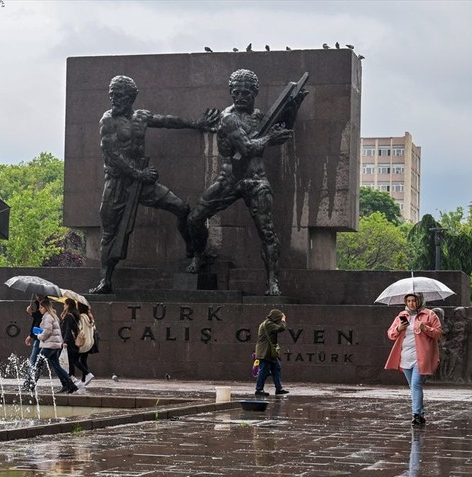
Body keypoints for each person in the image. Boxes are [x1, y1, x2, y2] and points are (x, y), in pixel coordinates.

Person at [90, 74, 219, 294]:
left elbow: (168, 121)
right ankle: (106, 280)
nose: (114, 99)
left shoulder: (141, 117)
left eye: (119, 95)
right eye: (112, 95)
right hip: (118, 183)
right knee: (111, 232)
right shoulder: (107, 120)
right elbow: (112, 154)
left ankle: (194, 249)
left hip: (142, 182)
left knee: (182, 208)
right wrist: (139, 174)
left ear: (132, 97)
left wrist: (196, 124)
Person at [187, 69, 306, 296]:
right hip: (229, 179)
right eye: (236, 92)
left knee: (267, 232)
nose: (240, 96)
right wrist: (270, 138)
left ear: (255, 93)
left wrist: (293, 106)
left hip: (256, 179)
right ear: (231, 92)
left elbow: (282, 130)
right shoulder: (228, 118)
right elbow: (248, 148)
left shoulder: (260, 116)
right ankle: (199, 254)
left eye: (246, 92)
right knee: (195, 218)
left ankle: (272, 282)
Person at [384, 293, 443, 427]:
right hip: (405, 357)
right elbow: (390, 334)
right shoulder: (402, 315)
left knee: (416, 385)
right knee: (413, 386)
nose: (411, 303)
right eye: (408, 301)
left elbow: (438, 333)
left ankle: (416, 414)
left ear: (420, 300)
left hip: (421, 357)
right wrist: (399, 328)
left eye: (414, 300)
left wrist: (425, 328)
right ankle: (420, 414)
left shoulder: (429, 315)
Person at [26, 298, 78, 394]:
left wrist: (39, 336)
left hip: (49, 345)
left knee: (38, 364)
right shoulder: (52, 316)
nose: (40, 309)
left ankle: (31, 386)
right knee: (56, 366)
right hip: (54, 345)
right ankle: (68, 385)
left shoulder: (48, 317)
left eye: (41, 307)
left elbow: (48, 331)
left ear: (46, 308)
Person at [254, 308, 289, 397]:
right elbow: (281, 328)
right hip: (265, 352)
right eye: (279, 318)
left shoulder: (268, 323)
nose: (279, 320)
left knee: (276, 368)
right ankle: (259, 389)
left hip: (270, 352)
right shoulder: (268, 324)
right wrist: (283, 320)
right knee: (264, 371)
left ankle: (279, 389)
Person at [60, 298, 93, 387]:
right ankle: (73, 377)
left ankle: (86, 374)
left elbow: (68, 329)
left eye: (64, 304)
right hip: (74, 341)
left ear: (67, 305)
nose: (63, 306)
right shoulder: (74, 315)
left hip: (70, 342)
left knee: (73, 360)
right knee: (72, 360)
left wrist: (65, 341)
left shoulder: (69, 316)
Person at [76, 302, 97, 386]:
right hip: (89, 342)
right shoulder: (90, 317)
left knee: (74, 359)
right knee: (83, 360)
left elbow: (79, 328)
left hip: (82, 342)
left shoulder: (81, 318)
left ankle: (87, 374)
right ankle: (84, 379)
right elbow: (94, 328)